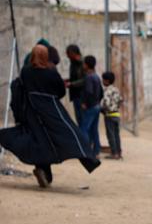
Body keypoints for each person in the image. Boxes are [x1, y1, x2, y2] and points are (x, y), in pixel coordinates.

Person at [0, 45, 100, 187]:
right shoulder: (51, 72)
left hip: (31, 113)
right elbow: (60, 92)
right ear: (46, 56)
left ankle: (43, 171)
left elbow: (22, 89)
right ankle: (83, 158)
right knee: (67, 136)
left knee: (37, 139)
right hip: (51, 112)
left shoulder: (26, 71)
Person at [80, 55, 103, 158]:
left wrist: (85, 103)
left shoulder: (89, 77)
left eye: (84, 63)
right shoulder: (96, 76)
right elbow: (101, 92)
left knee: (84, 129)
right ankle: (96, 151)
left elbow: (89, 92)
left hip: (91, 107)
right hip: (97, 106)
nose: (83, 65)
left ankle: (86, 151)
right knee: (94, 130)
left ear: (87, 65)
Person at [100, 71, 123, 159]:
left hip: (109, 115)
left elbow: (106, 103)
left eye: (103, 80)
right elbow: (121, 100)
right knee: (116, 134)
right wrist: (116, 107)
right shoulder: (116, 89)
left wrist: (102, 109)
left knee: (110, 135)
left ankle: (114, 153)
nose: (102, 81)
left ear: (107, 81)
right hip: (116, 114)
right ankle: (119, 152)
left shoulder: (107, 91)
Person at [64, 44, 84, 126]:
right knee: (79, 119)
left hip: (81, 95)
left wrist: (71, 84)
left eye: (68, 53)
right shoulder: (73, 63)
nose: (67, 56)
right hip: (75, 95)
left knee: (82, 120)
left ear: (74, 53)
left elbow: (85, 80)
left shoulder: (83, 64)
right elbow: (74, 78)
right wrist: (67, 80)